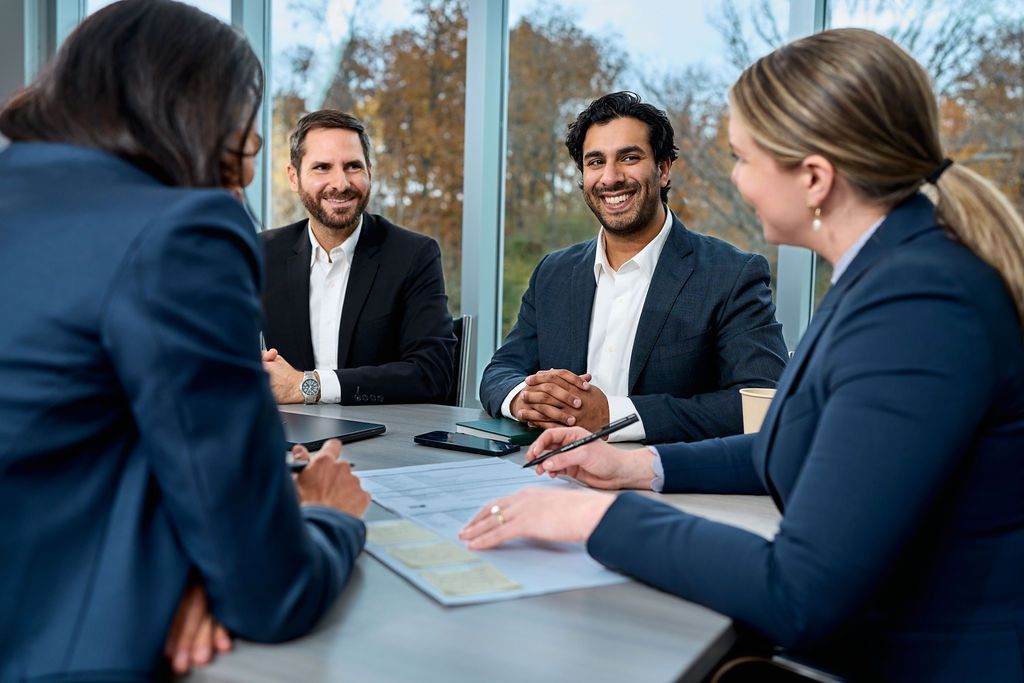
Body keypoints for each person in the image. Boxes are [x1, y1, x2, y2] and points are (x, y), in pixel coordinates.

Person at [462, 29, 1024, 682]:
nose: (735, 178)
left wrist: (593, 515)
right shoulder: (885, 273)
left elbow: (801, 590)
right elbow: (796, 442)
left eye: (742, 157)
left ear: (814, 177)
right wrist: (635, 467)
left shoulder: (920, 302)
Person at [0, 1, 371, 679]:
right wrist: (322, 514)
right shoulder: (179, 231)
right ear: (196, 117)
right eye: (242, 147)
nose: (245, 178)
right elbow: (271, 587)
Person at [479, 92, 787, 444]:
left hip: (665, 482)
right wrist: (523, 398)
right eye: (595, 162)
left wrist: (614, 416)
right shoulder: (553, 273)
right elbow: (501, 371)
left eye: (628, 157)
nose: (610, 178)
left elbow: (762, 399)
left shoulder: (731, 275)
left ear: (663, 168)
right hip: (549, 469)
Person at [260, 110, 456, 406]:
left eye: (353, 166)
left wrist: (308, 386)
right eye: (322, 167)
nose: (340, 183)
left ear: (369, 172)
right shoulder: (263, 253)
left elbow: (433, 374)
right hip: (289, 438)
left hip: (382, 440)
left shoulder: (414, 255)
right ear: (294, 177)